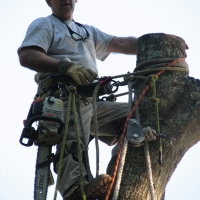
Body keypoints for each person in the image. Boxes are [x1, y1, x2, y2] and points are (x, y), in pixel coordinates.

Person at [18, 0, 137, 199]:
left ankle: (118, 175)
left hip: (91, 101)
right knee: (73, 138)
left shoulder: (87, 31)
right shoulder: (45, 24)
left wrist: (153, 43)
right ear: (49, 1)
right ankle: (74, 189)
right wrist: (63, 66)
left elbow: (123, 43)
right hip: (63, 98)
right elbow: (28, 55)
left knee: (136, 115)